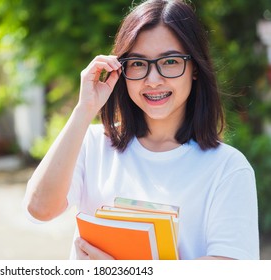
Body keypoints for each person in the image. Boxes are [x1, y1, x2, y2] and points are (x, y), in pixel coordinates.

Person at [23, 0, 259, 260]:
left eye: (169, 61)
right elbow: (39, 208)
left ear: (194, 68)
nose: (153, 80)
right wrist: (83, 110)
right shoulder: (92, 144)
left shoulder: (227, 168)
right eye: (137, 63)